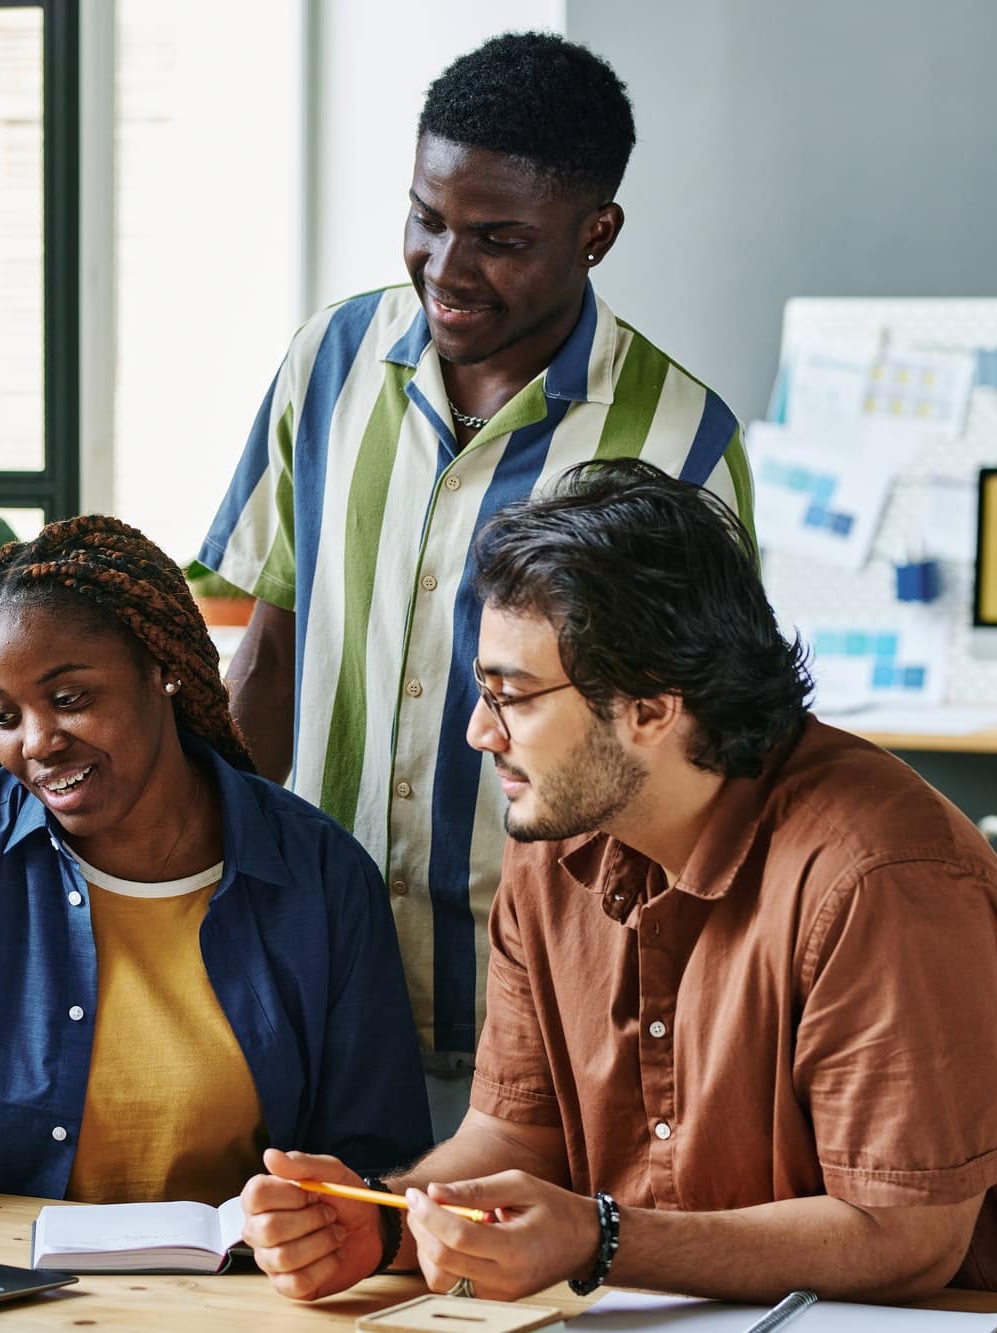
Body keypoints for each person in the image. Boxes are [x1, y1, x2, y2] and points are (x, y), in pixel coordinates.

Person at [239, 459, 997, 1302]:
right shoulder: (557, 839)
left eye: (514, 697)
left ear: (651, 708)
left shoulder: (880, 878)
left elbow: (903, 1238)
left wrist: (600, 1239)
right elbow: (515, 1133)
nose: (476, 732)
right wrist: (387, 1219)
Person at [198, 33, 752, 1139]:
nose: (445, 267)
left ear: (595, 234)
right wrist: (201, 913)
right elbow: (265, 650)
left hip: (545, 1020)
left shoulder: (680, 442)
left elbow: (699, 763)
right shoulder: (329, 358)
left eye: (498, 240)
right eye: (426, 218)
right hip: (310, 986)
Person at [0, 516, 431, 1203]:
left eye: (70, 699)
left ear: (161, 668)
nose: (37, 743)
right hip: (5, 1292)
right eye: (3, 715)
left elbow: (374, 1161)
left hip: (240, 1294)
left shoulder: (322, 876)